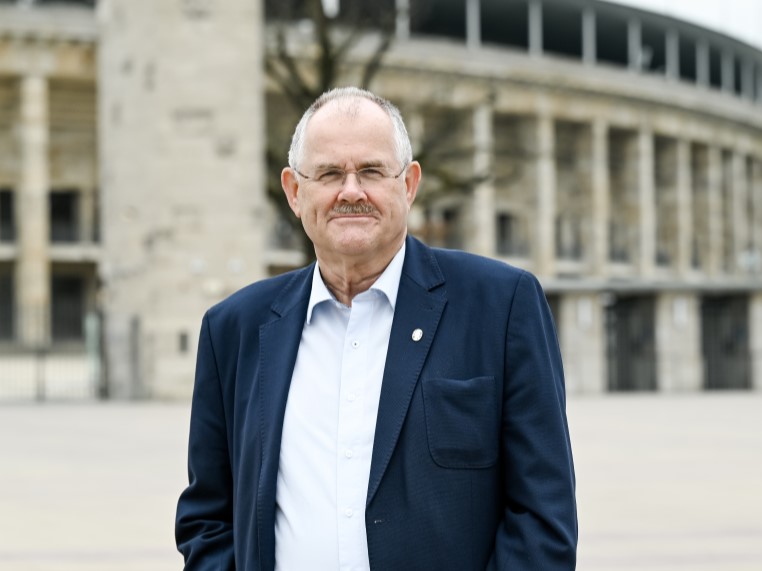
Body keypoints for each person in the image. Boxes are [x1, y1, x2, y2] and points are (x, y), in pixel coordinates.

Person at [175, 87, 577, 570]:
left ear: (408, 185)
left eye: (370, 170)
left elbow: (542, 517)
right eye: (328, 173)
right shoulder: (234, 329)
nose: (350, 191)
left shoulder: (501, 306)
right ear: (294, 192)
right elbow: (208, 516)